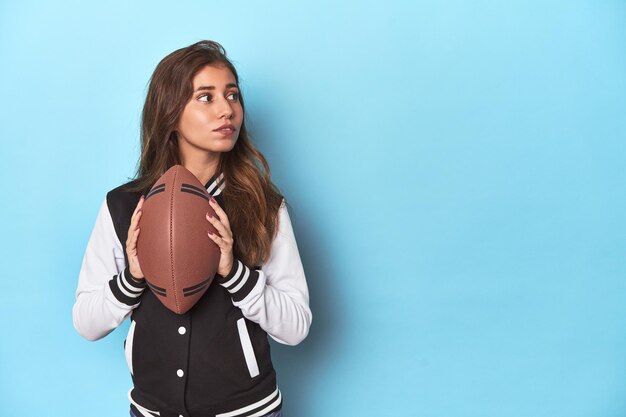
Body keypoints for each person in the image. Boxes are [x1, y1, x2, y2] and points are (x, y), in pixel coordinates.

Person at [72, 40, 312, 417]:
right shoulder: (122, 206)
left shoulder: (264, 205)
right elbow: (87, 323)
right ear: (170, 112)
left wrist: (234, 273)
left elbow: (296, 327)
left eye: (232, 95)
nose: (226, 109)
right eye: (206, 97)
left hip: (246, 411)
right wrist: (133, 277)